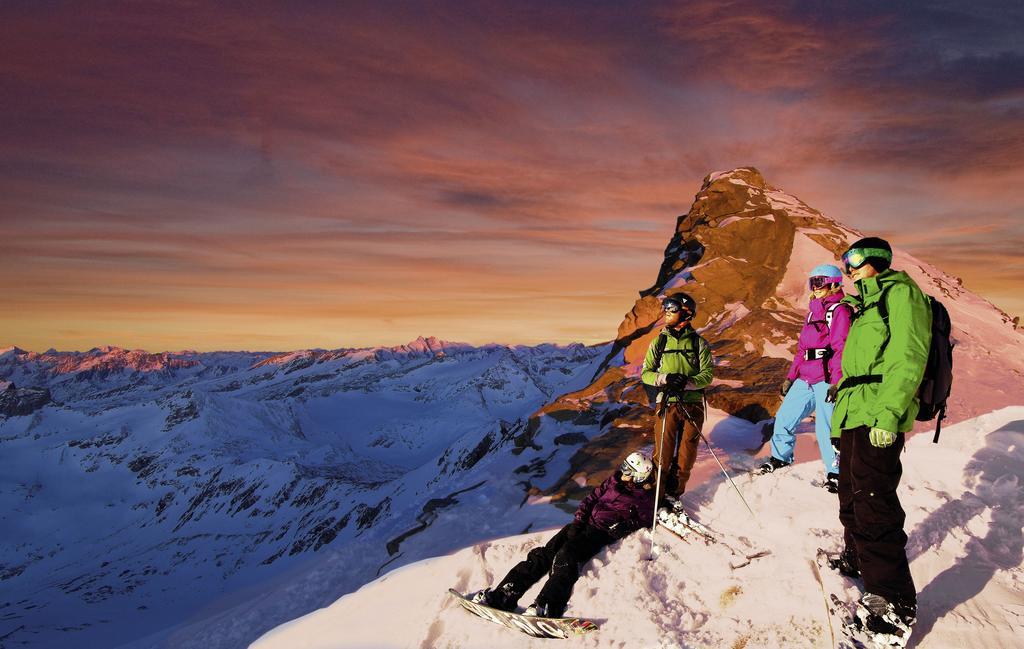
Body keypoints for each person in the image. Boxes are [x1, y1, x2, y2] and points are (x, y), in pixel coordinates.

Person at [829, 237, 931, 644]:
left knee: (875, 503)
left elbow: (909, 356)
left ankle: (893, 602)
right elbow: (853, 371)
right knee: (851, 495)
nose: (848, 266)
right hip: (855, 412)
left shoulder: (901, 294)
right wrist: (839, 425)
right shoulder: (866, 305)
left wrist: (889, 415)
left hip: (878, 414)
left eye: (853, 258)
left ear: (877, 260)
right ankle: (858, 559)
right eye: (844, 260)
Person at [468, 451, 656, 618]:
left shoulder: (643, 499)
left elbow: (644, 520)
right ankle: (503, 595)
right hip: (581, 525)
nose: (623, 473)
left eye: (628, 472)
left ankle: (547, 605)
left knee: (566, 557)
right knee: (542, 555)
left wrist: (621, 527)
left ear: (638, 477)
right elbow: (591, 499)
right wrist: (579, 521)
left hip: (599, 533)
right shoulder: (613, 481)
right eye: (624, 467)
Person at [758, 264, 852, 493]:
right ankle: (781, 459)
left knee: (827, 428)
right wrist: (791, 377)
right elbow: (802, 349)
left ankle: (836, 473)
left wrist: (837, 381)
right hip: (806, 377)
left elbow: (841, 348)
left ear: (833, 283)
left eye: (819, 282)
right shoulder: (812, 311)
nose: (815, 287)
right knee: (783, 419)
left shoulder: (839, 311)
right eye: (812, 282)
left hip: (826, 377)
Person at [640, 293, 714, 509]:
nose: (666, 312)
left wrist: (687, 382)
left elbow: (707, 375)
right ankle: (655, 496)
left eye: (671, 308)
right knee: (662, 453)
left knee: (687, 454)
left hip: (693, 404)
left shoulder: (699, 343)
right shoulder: (659, 341)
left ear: (686, 312)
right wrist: (665, 379)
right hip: (667, 404)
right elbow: (646, 374)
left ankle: (674, 494)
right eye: (666, 308)